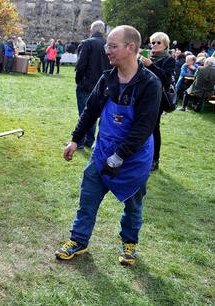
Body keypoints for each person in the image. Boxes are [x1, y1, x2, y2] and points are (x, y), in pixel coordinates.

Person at [55, 25, 161, 266]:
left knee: (133, 205)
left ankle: (129, 244)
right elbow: (90, 111)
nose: (107, 51)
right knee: (88, 198)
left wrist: (120, 156)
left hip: (134, 158)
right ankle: (79, 240)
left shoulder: (149, 84)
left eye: (112, 46)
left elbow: (143, 128)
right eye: (107, 46)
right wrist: (75, 139)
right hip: (102, 152)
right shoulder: (107, 78)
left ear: (131, 48)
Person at [139, 32, 175, 172]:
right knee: (139, 124)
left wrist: (151, 65)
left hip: (157, 98)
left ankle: (155, 159)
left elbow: (166, 79)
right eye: (153, 42)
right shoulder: (147, 56)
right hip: (142, 95)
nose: (154, 45)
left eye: (158, 42)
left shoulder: (168, 60)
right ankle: (141, 155)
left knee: (154, 128)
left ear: (165, 44)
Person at [75, 20, 110, 149]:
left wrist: (79, 80)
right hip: (103, 84)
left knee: (85, 112)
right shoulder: (109, 44)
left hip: (87, 83)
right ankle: (89, 140)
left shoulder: (87, 43)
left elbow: (80, 65)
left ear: (91, 30)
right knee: (93, 113)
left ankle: (80, 141)